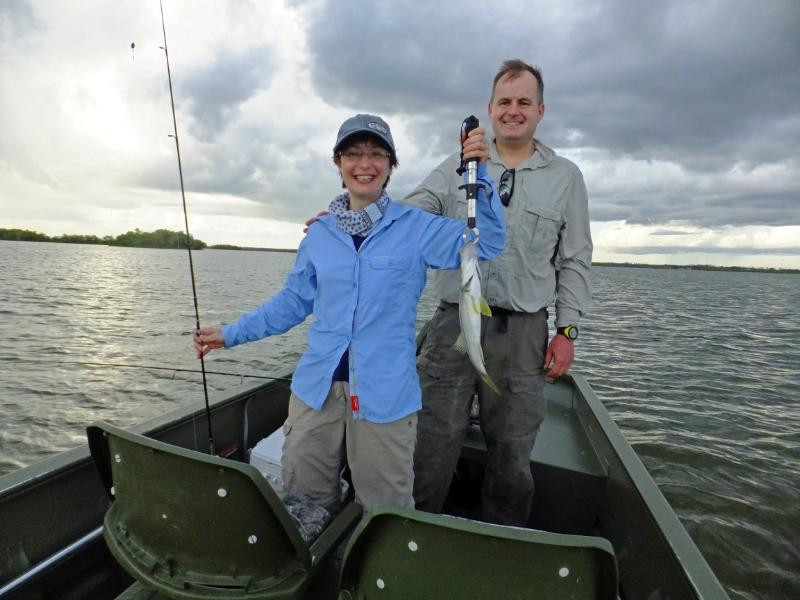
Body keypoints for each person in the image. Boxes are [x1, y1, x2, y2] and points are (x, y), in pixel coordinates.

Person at [194, 114, 505, 514]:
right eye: (354, 153)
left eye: (377, 154)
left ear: (391, 166)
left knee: (385, 509)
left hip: (386, 396)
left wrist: (481, 175)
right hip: (315, 390)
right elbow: (291, 304)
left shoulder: (416, 228)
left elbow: (488, 241)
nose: (365, 163)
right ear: (338, 163)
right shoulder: (319, 235)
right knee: (303, 500)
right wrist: (230, 333)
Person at [406, 59, 592, 526]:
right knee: (431, 439)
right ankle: (415, 531)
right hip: (453, 323)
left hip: (524, 334)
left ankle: (502, 540)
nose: (513, 111)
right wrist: (354, 213)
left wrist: (566, 330)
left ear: (540, 110)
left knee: (512, 454)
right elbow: (409, 212)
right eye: (504, 102)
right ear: (490, 109)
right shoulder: (454, 167)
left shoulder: (567, 177)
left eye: (524, 102)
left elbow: (574, 260)